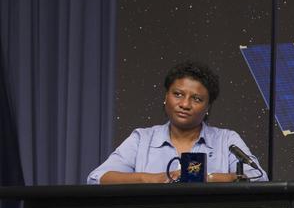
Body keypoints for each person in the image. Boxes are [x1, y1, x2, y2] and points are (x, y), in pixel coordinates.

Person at [88, 61, 266, 184]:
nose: (185, 104)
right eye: (178, 94)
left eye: (196, 99)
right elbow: (97, 178)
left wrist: (205, 178)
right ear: (166, 97)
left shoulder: (226, 140)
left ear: (208, 106)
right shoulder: (141, 139)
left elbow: (258, 178)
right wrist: (155, 179)